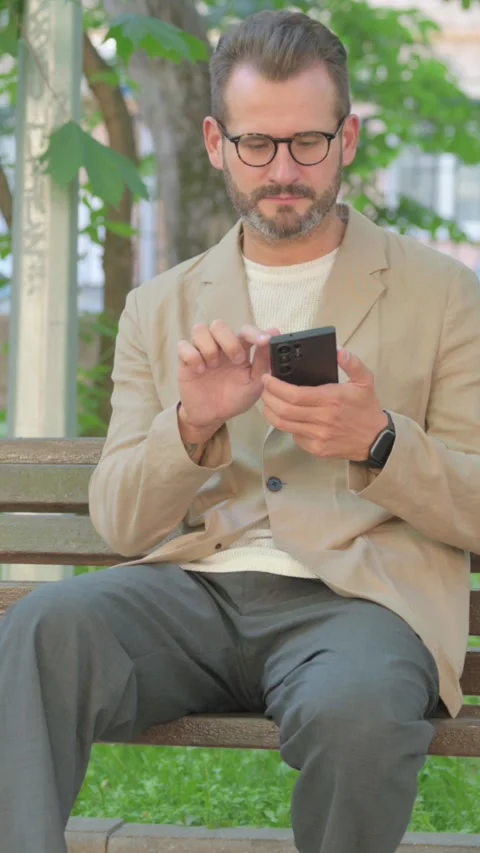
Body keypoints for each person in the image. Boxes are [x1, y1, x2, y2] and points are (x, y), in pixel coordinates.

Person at [1, 10, 479, 853]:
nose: (283, 170)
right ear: (216, 142)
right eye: (257, 144)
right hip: (199, 594)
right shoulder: (160, 306)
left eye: (308, 143)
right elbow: (120, 520)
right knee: (41, 629)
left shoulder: (446, 295)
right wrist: (191, 425)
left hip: (362, 605)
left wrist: (379, 440)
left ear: (348, 138)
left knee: (358, 713)